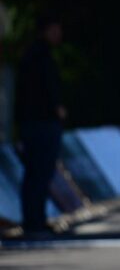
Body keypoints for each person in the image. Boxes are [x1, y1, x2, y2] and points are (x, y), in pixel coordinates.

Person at [14, 13, 67, 237]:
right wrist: (58, 108)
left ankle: (34, 219)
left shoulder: (30, 55)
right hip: (42, 123)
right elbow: (48, 88)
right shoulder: (41, 56)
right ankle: (34, 221)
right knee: (40, 172)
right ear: (46, 30)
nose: (58, 34)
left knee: (35, 173)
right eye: (55, 30)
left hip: (30, 123)